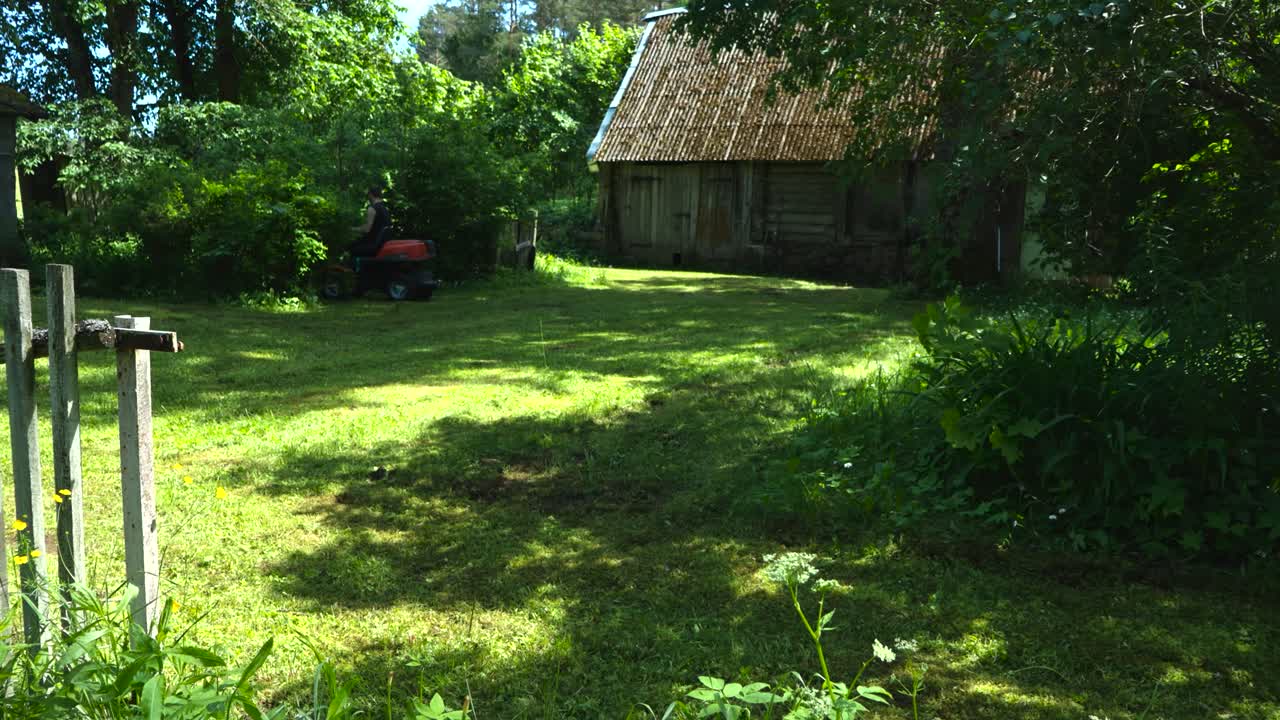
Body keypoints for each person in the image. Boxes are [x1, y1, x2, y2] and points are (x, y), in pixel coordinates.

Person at [348, 186, 391, 261]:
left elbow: (367, 229)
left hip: (372, 245)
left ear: (371, 195)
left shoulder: (372, 208)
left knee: (350, 246)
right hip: (382, 244)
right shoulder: (385, 209)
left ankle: (353, 268)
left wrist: (351, 229)